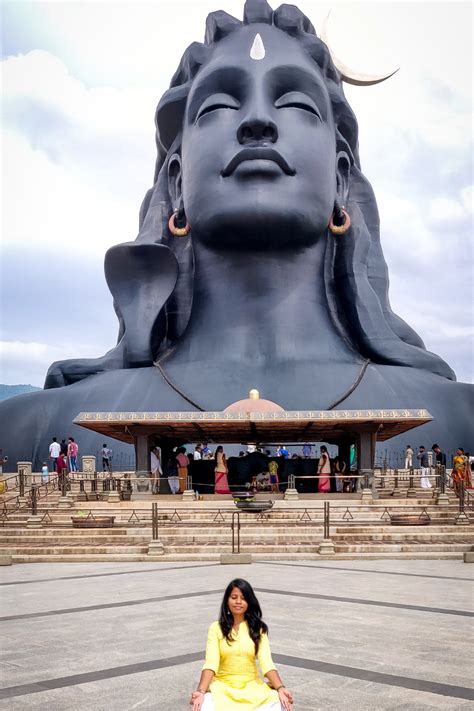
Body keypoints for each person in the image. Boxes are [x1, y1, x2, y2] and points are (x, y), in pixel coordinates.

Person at [2, 0, 472, 470]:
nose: (258, 121)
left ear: (341, 179)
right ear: (176, 181)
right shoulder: (36, 422)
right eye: (219, 104)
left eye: (296, 102)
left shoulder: (462, 414)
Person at [190, 578, 293, 711]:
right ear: (227, 601)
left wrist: (280, 687)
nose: (238, 602)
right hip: (223, 687)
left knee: (281, 705)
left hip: (252, 688)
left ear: (249, 602)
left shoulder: (259, 629)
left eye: (243, 598)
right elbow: (211, 663)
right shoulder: (216, 628)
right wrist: (201, 691)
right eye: (234, 597)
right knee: (203, 706)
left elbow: (266, 663)